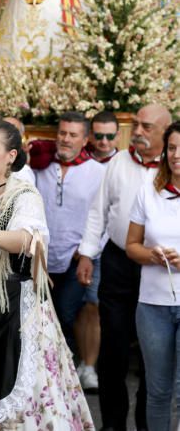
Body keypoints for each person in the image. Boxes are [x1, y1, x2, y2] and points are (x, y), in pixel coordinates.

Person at [0, 117, 93, 429]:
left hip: (14, 309)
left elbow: (26, 239)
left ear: (10, 157)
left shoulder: (24, 195)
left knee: (20, 393)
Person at [77, 103, 172, 431]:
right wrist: (87, 254)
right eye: (136, 124)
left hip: (160, 269)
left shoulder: (173, 169)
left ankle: (148, 425)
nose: (139, 132)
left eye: (147, 127)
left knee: (154, 354)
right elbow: (98, 210)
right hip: (118, 262)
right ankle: (113, 424)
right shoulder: (118, 162)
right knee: (113, 350)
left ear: (165, 132)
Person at [34, 111, 105, 360]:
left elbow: (104, 217)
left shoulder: (98, 172)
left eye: (73, 135)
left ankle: (66, 368)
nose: (65, 139)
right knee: (40, 315)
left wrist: (88, 251)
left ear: (85, 140)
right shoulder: (40, 167)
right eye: (62, 133)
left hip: (76, 257)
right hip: (40, 258)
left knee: (65, 313)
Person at [126, 120, 180, 431]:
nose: (176, 155)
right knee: (157, 391)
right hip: (152, 305)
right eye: (172, 148)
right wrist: (154, 255)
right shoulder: (148, 192)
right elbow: (132, 246)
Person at [75, 110, 120, 391]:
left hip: (106, 247)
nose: (104, 142)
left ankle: (90, 365)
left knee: (94, 306)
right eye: (99, 135)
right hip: (74, 244)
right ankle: (80, 360)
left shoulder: (122, 163)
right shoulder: (81, 162)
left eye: (110, 136)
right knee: (76, 307)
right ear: (91, 136)